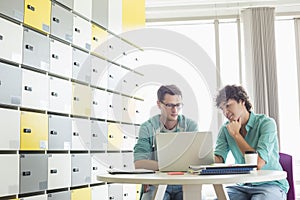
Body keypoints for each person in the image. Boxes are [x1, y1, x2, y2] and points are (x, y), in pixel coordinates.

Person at [214, 84, 289, 200]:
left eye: (228, 106)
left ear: (242, 101)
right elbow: (218, 160)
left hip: (270, 184)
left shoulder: (266, 123)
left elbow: (257, 164)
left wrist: (236, 135)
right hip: (242, 185)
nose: (225, 112)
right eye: (222, 109)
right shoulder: (225, 129)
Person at [133, 84, 199, 200]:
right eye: (169, 105)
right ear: (159, 104)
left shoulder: (190, 126)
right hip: (157, 183)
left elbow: (196, 161)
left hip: (185, 183)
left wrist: (159, 166)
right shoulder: (148, 127)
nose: (175, 110)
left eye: (178, 105)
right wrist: (177, 166)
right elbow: (139, 163)